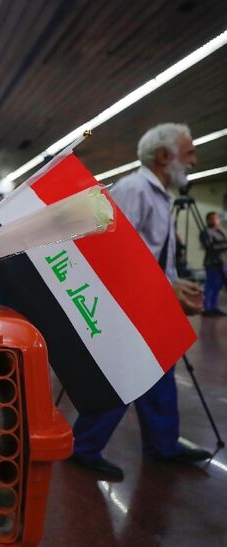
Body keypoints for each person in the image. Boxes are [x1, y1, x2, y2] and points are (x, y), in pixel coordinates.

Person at [71, 123, 211, 480]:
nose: (194, 160)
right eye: (189, 152)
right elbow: (119, 251)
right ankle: (84, 447)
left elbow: (150, 255)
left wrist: (174, 285)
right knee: (129, 374)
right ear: (165, 157)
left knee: (159, 368)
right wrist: (166, 287)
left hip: (149, 297)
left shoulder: (160, 195)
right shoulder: (135, 189)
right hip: (129, 300)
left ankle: (162, 443)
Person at [200, 211, 227, 316]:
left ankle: (214, 307)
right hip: (212, 262)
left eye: (217, 218)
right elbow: (210, 247)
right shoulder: (205, 232)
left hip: (223, 262)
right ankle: (207, 308)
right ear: (208, 220)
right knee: (211, 285)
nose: (216, 220)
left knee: (218, 286)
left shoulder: (222, 231)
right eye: (213, 218)